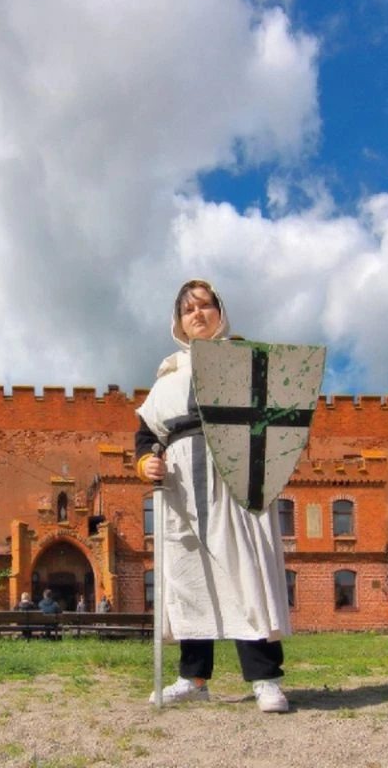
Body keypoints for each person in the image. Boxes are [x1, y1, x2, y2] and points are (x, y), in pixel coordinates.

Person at [135, 279, 291, 713]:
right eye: (188, 310)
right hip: (182, 486)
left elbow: (277, 420)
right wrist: (145, 462)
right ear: (178, 322)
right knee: (189, 578)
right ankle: (194, 678)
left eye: (205, 305)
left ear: (220, 312)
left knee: (245, 571)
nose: (197, 314)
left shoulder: (245, 362)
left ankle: (265, 679)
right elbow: (147, 436)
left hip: (235, 479)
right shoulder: (166, 378)